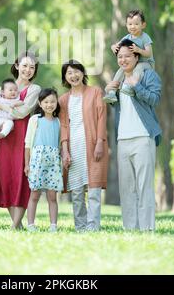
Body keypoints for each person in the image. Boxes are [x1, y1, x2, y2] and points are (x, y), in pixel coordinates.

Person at [105, 38, 162, 231]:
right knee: (127, 188)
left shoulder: (148, 74)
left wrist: (137, 86)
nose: (123, 60)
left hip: (143, 137)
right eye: (120, 56)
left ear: (136, 56)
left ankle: (147, 229)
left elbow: (155, 99)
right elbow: (121, 108)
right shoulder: (118, 79)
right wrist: (111, 94)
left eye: (127, 56)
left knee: (144, 186)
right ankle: (130, 229)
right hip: (122, 139)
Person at [0, 52, 41, 229]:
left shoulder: (34, 89)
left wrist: (1, 105)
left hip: (23, 135)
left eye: (32, 67)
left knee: (21, 177)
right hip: (5, 136)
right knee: (5, 176)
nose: (28, 70)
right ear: (17, 65)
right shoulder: (5, 86)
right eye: (25, 65)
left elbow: (23, 112)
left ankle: (14, 225)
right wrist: (3, 107)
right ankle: (17, 224)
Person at [59, 60, 108, 232]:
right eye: (69, 73)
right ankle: (80, 227)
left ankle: (93, 227)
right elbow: (64, 127)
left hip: (93, 145)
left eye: (76, 71)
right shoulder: (63, 100)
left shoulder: (95, 92)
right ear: (65, 77)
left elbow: (102, 118)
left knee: (93, 191)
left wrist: (100, 143)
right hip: (74, 149)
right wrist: (65, 151)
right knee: (77, 192)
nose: (74, 75)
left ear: (83, 72)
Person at [24, 88, 63, 232]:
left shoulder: (58, 122)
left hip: (53, 161)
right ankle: (30, 225)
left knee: (52, 196)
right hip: (37, 160)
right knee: (34, 194)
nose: (49, 104)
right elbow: (28, 144)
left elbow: (59, 144)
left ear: (56, 102)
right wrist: (27, 164)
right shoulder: (35, 120)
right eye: (46, 102)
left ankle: (53, 225)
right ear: (40, 104)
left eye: (52, 101)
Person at [103, 9, 155, 104]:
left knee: (138, 68)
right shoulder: (127, 37)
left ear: (143, 25)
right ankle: (112, 93)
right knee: (120, 71)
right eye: (130, 24)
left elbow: (149, 54)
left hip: (146, 64)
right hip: (134, 64)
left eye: (136, 24)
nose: (133, 27)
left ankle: (132, 87)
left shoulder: (145, 37)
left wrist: (138, 50)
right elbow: (115, 45)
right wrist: (113, 47)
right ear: (126, 25)